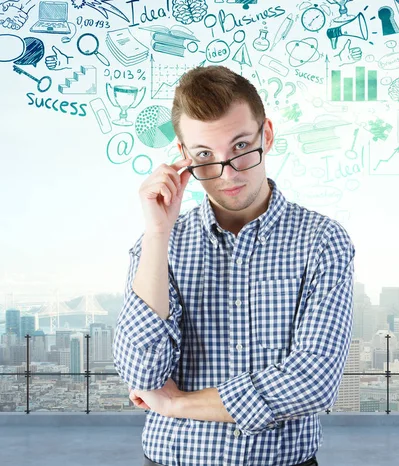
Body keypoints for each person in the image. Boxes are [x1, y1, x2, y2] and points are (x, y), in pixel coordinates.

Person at [112, 65, 355, 466]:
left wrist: (178, 405)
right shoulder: (158, 245)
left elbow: (313, 381)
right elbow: (142, 375)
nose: (227, 173)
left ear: (267, 135)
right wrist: (158, 235)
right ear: (184, 157)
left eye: (241, 146)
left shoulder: (321, 240)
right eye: (205, 156)